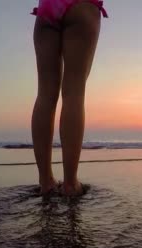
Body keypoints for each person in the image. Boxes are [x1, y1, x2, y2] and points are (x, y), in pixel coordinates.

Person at [30, 0, 107, 196]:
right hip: (81, 6)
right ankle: (70, 183)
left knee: (45, 95)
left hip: (47, 8)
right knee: (74, 92)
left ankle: (45, 181)